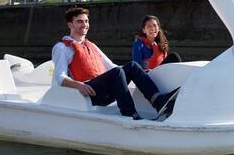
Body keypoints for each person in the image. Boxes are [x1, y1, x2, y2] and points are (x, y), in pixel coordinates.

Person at [51, 7, 179, 120]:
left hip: (103, 89)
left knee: (133, 65)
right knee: (118, 72)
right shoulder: (62, 48)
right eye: (79, 21)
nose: (84, 24)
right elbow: (60, 78)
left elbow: (113, 67)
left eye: (86, 21)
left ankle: (158, 101)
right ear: (70, 25)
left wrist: (142, 72)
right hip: (88, 92)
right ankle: (130, 114)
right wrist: (78, 85)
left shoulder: (92, 46)